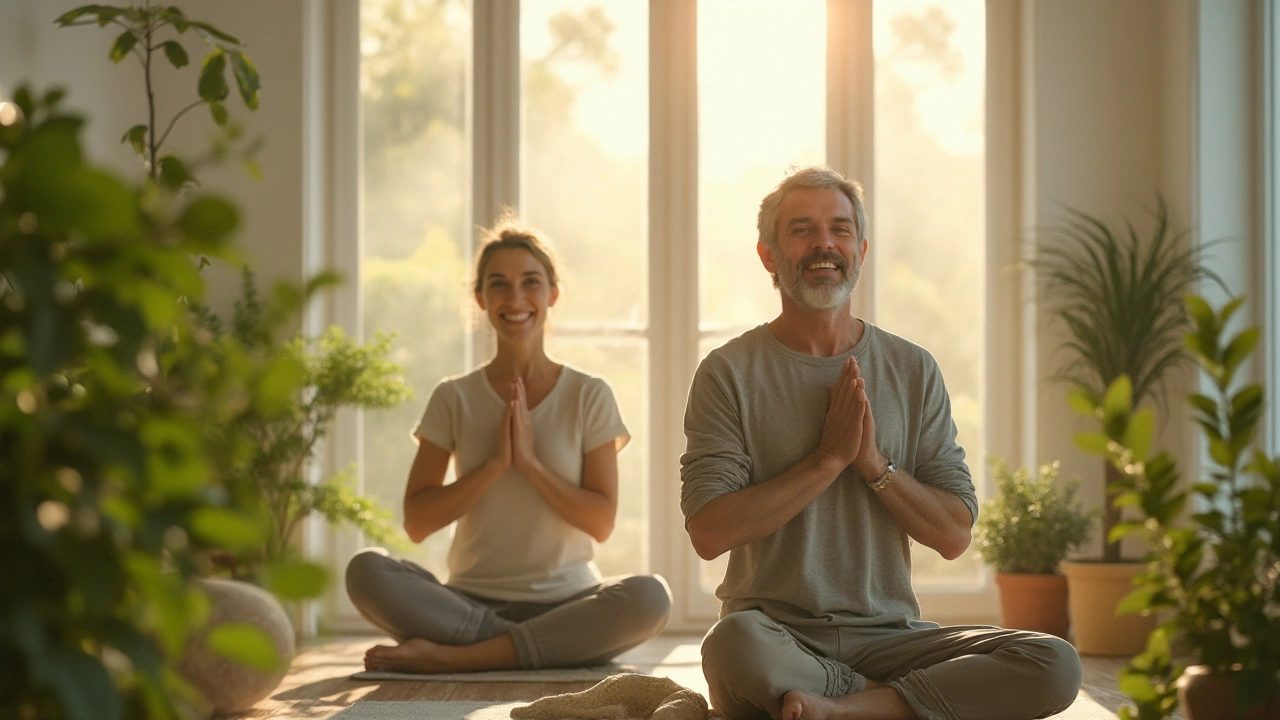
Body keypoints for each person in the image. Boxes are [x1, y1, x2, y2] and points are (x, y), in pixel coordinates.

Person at [680, 166, 1082, 720]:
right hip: (777, 637)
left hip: (893, 638)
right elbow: (709, 530)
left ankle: (842, 707)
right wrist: (828, 461)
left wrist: (874, 465)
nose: (825, 243)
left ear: (861, 249)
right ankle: (887, 706)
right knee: (731, 646)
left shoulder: (913, 369)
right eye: (802, 229)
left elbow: (954, 534)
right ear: (768, 255)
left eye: (840, 229)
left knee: (1054, 661)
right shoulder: (728, 372)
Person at [347, 213, 671, 673]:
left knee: (649, 597)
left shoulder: (588, 394)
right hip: (468, 602)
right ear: (479, 297)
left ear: (553, 293)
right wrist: (496, 464)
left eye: (530, 282)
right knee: (366, 570)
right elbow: (417, 522)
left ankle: (455, 659)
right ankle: (534, 648)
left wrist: (533, 465)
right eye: (498, 284)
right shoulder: (453, 396)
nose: (515, 298)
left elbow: (600, 522)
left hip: (568, 600)